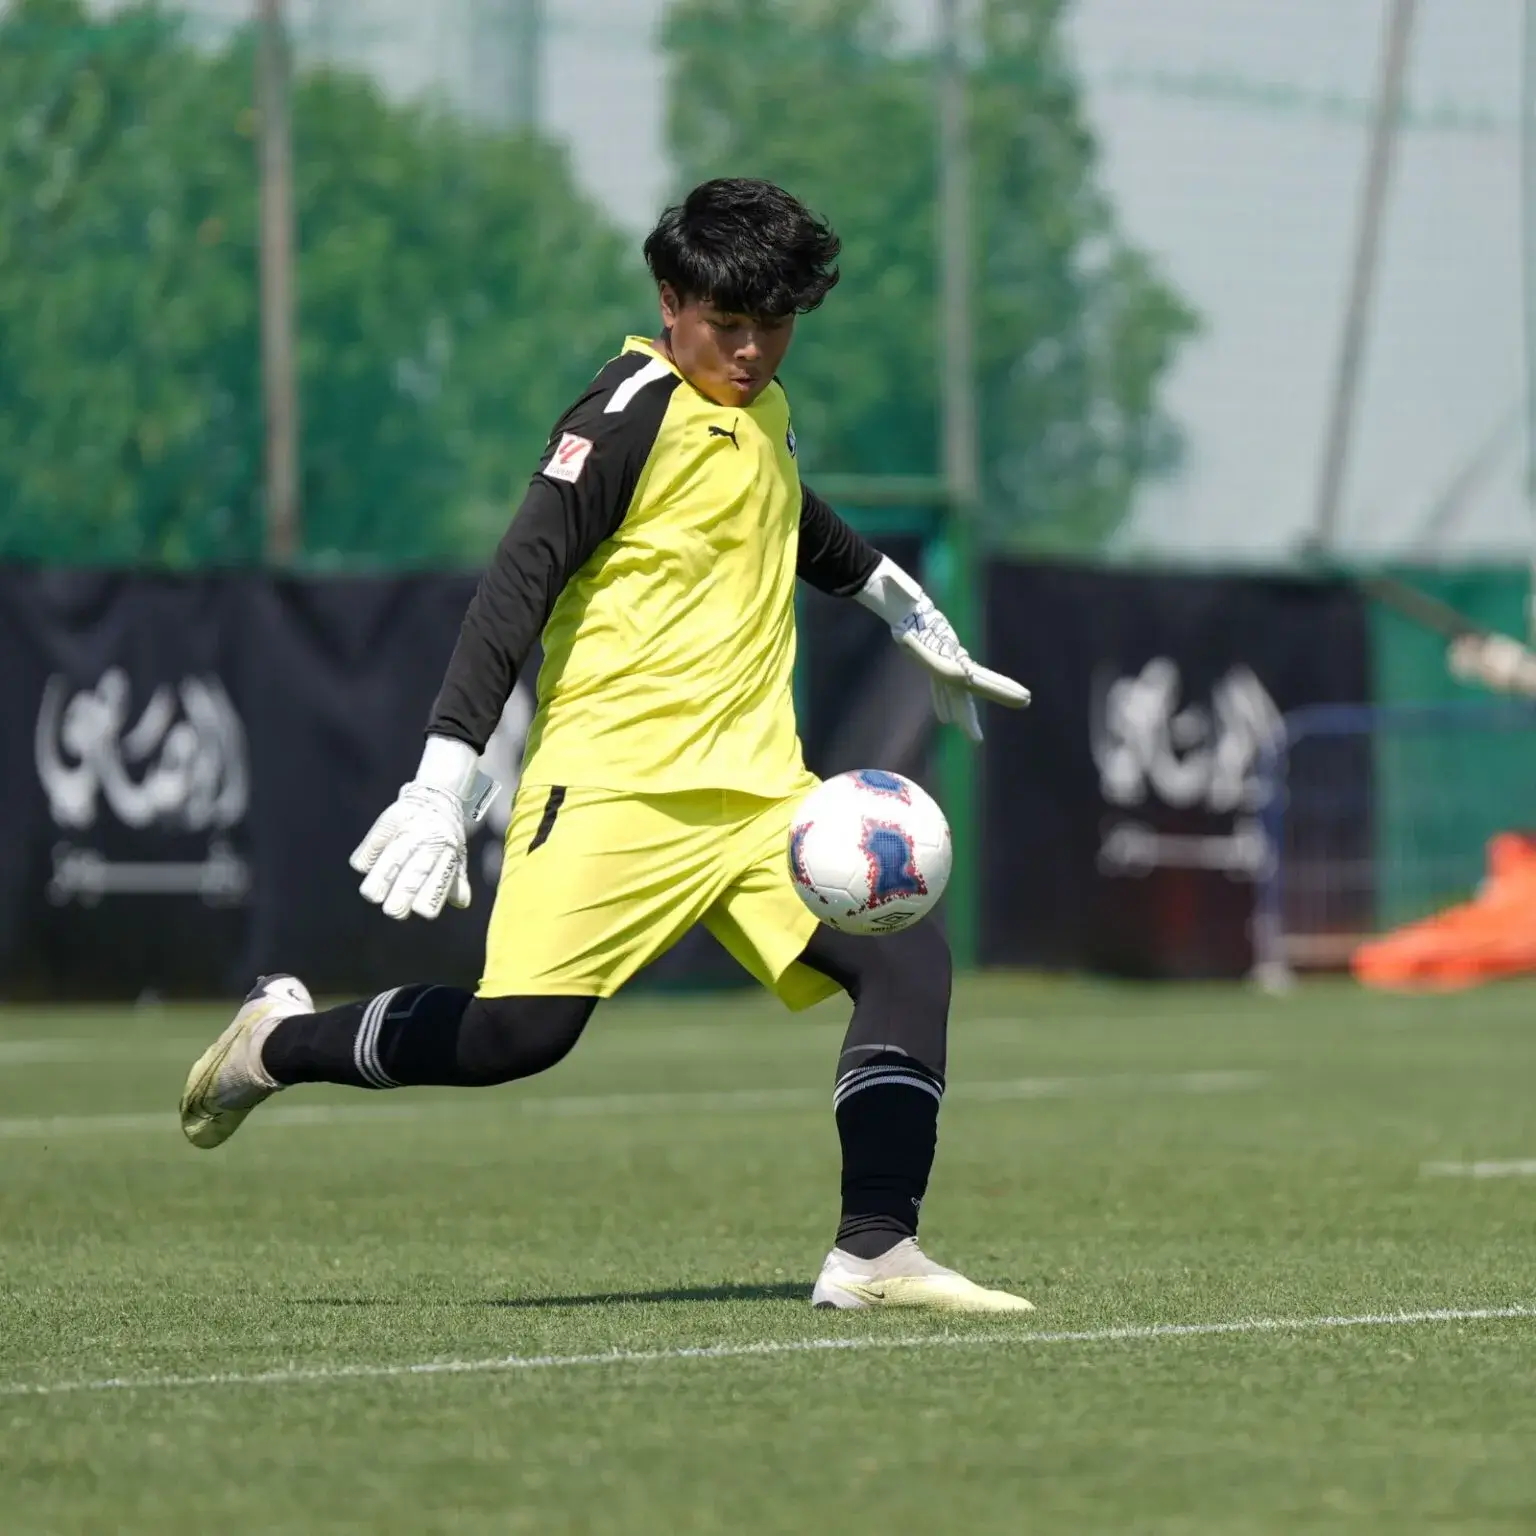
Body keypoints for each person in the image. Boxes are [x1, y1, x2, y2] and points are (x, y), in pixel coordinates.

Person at [179, 178, 1033, 1312]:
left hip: (761, 803)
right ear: (670, 299)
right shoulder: (622, 412)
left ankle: (875, 1250)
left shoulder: (759, 414)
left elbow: (790, 511)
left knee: (907, 959)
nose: (752, 349)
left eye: (774, 326)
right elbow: (515, 585)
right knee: (515, 1036)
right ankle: (276, 1045)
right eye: (728, 324)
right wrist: (446, 777)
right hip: (615, 795)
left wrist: (896, 603)